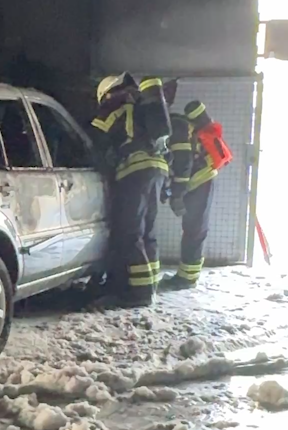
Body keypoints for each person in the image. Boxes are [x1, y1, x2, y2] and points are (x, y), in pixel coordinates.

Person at [91, 72, 171, 305]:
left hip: (134, 171)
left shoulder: (115, 106)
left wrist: (101, 163)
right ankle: (150, 286)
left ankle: (139, 293)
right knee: (148, 233)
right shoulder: (142, 105)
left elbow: (96, 137)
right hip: (158, 169)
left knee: (130, 233)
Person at [164, 94, 232, 289]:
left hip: (199, 182)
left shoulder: (177, 128)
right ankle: (187, 275)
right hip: (202, 180)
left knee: (194, 229)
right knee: (193, 229)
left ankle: (187, 278)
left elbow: (183, 162)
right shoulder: (184, 127)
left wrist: (177, 193)